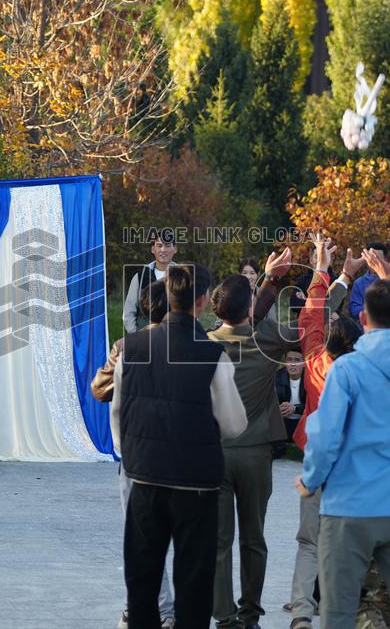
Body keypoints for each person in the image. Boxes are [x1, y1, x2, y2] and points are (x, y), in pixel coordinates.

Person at [297, 279, 390, 629]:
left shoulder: (348, 369)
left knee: (339, 608)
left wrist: (310, 479)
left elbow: (327, 434)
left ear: (363, 318)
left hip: (350, 505)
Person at [111, 264, 247, 629]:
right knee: (193, 580)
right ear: (202, 301)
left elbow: (119, 412)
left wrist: (135, 452)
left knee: (142, 578)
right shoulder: (212, 353)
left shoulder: (132, 347)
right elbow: (233, 424)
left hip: (144, 477)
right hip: (195, 482)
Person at [206, 248, 299, 629]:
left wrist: (265, 280)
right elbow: (308, 327)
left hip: (214, 455)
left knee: (218, 543)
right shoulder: (270, 342)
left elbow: (243, 315)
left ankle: (224, 618)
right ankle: (251, 615)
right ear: (249, 312)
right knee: (254, 538)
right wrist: (326, 276)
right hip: (256, 453)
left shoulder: (204, 343)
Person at [286, 239, 368, 629]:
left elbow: (311, 319)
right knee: (346, 542)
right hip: (352, 465)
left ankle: (301, 611)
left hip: (316, 457)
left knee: (308, 541)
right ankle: (341, 611)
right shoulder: (367, 373)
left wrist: (324, 271)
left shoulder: (316, 359)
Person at [90, 279, 178, 628]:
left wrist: (115, 357)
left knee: (140, 538)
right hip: (177, 455)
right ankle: (165, 611)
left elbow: (99, 390)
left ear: (143, 311)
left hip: (135, 456)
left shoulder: (129, 348)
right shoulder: (192, 346)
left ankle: (141, 607)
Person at [123, 229, 177, 334]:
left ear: (175, 249)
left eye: (167, 246)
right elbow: (128, 311)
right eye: (159, 245)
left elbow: (192, 312)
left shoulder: (184, 276)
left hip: (175, 339)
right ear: (153, 249)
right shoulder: (141, 276)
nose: (163, 250)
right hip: (146, 338)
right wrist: (136, 335)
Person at [347, 241, 390, 319]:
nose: (374, 261)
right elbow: (354, 310)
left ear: (385, 260)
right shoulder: (359, 283)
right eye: (372, 257)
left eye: (378, 258)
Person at [275, 350, 306, 444]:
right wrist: (279, 408)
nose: (293, 364)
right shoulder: (277, 377)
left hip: (304, 421)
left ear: (304, 363)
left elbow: (315, 405)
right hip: (283, 422)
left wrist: (295, 408)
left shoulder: (311, 378)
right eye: (289, 360)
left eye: (297, 360)